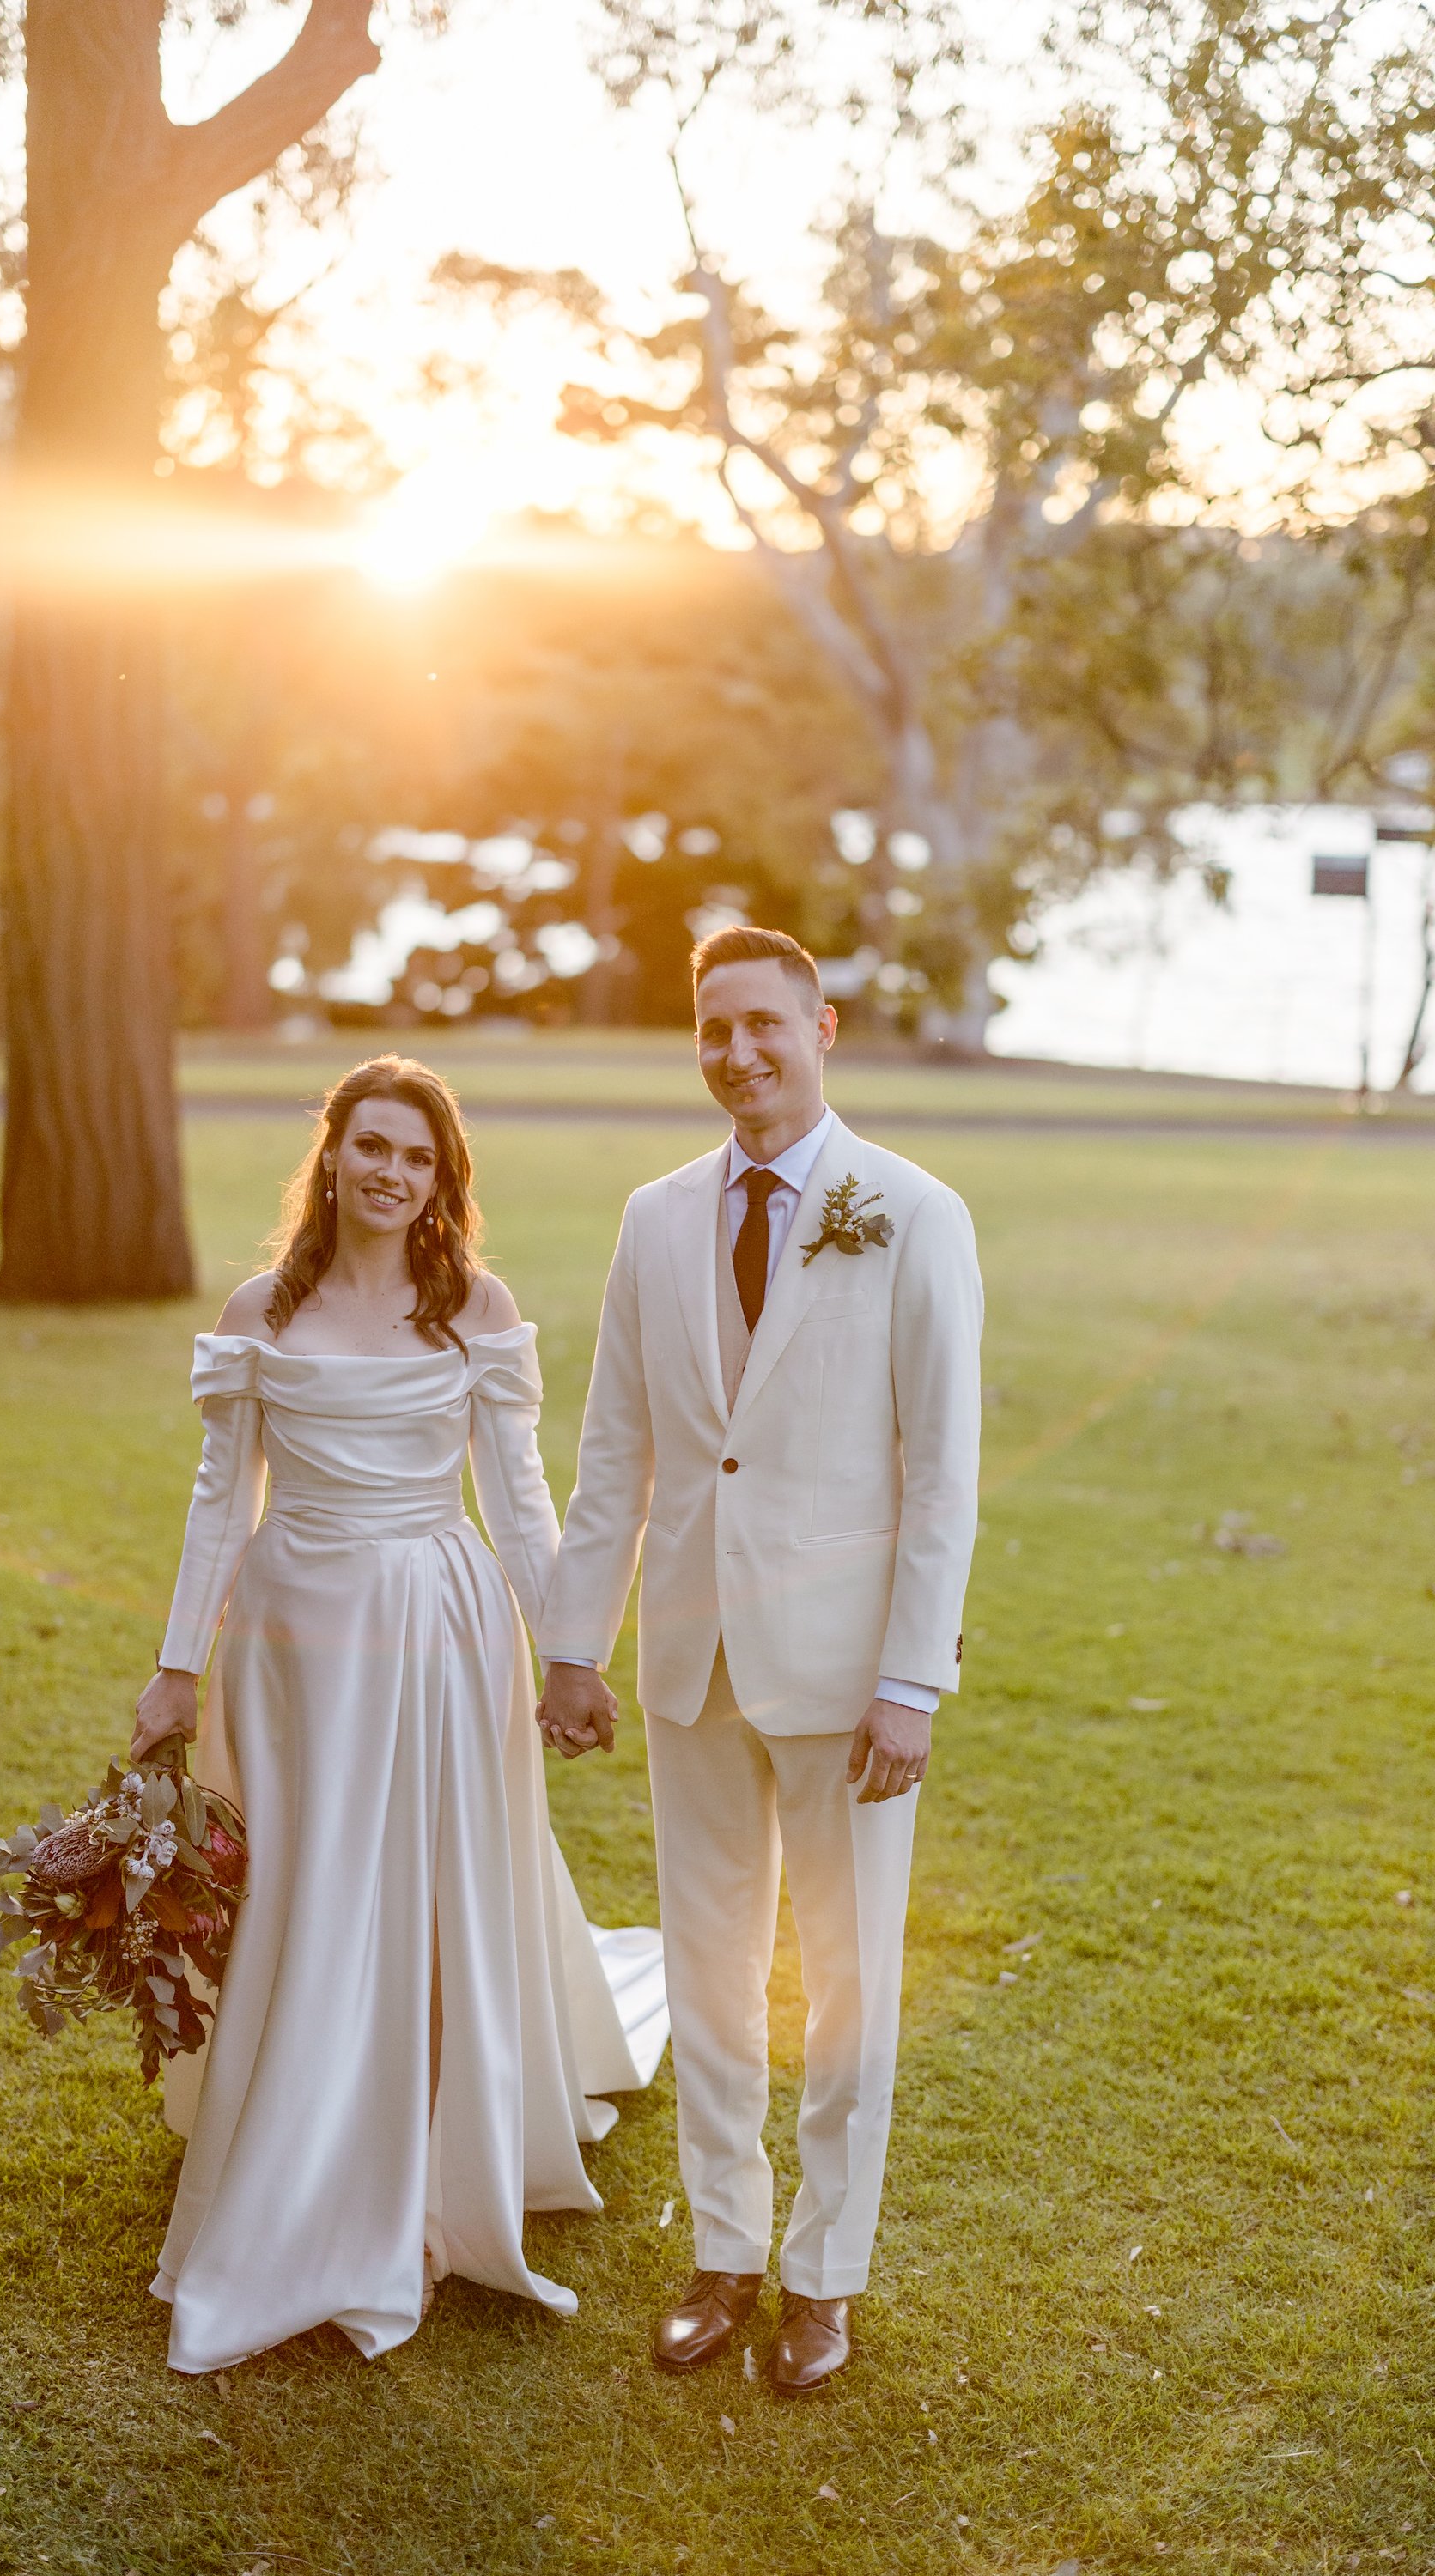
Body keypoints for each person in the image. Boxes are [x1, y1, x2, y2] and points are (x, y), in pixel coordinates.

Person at [132, 1056, 666, 2375]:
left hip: (434, 1628)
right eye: (370, 1146)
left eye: (418, 1158)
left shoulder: (470, 1306)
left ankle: (431, 2127)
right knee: (306, 1877)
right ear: (330, 1158)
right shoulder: (263, 1306)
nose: (390, 1172)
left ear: (442, 1181)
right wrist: (176, 1665)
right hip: (290, 1640)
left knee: (423, 1875)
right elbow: (220, 1501)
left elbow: (520, 1497)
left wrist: (569, 1655)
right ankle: (294, 2123)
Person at [536, 927, 983, 2397]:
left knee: (849, 1982)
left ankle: (826, 2277)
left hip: (851, 1678)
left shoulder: (911, 1214)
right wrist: (572, 1646)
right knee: (714, 1968)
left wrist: (914, 1679)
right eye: (713, 1028)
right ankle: (724, 2250)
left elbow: (941, 1475)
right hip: (690, 1661)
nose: (738, 1053)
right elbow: (617, 1452)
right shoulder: (657, 1219)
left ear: (822, 1025)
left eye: (763, 1026)